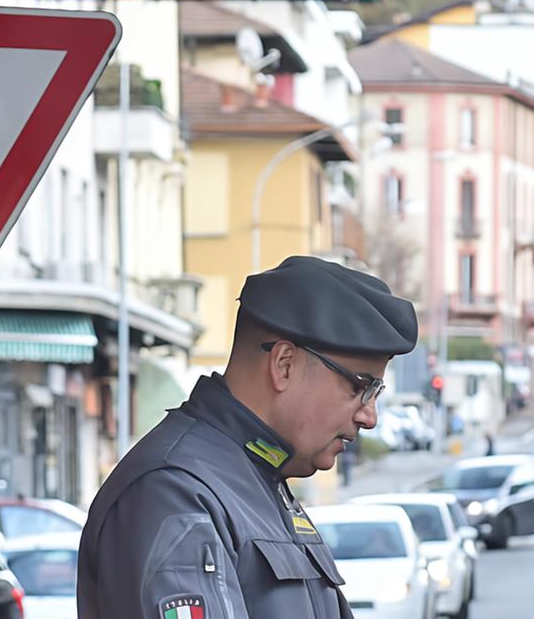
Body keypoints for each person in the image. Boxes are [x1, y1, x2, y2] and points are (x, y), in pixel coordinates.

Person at [77, 256, 418, 619]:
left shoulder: (255, 480)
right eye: (360, 386)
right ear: (284, 364)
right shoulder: (172, 492)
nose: (370, 416)